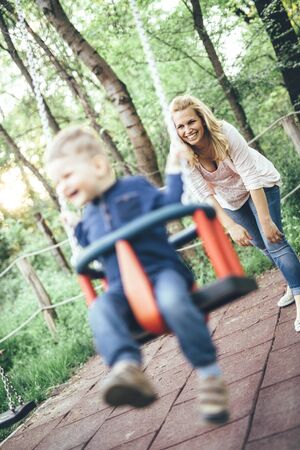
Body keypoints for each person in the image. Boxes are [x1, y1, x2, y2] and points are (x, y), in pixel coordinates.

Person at [45, 125, 229, 424]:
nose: (62, 188)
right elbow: (91, 244)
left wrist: (174, 167)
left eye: (66, 176)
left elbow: (170, 204)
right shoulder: (88, 216)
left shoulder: (135, 188)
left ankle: (209, 376)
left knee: (173, 302)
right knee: (101, 310)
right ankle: (127, 369)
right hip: (122, 290)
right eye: (57, 182)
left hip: (162, 273)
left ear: (98, 165)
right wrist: (76, 227)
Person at [170, 94, 300, 332]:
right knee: (260, 244)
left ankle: (299, 291)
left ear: (202, 119)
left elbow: (250, 176)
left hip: (259, 184)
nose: (187, 130)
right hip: (230, 199)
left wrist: (266, 220)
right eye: (180, 126)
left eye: (191, 122)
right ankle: (295, 282)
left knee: (275, 242)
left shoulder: (224, 132)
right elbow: (203, 194)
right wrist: (230, 226)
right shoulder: (183, 152)